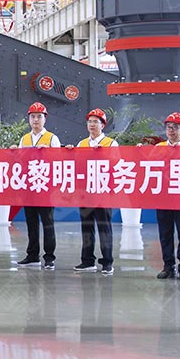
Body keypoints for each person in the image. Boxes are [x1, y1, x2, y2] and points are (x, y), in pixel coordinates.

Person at [17, 102, 59, 270]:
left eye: (39, 117)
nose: (35, 120)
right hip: (29, 187)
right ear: (29, 119)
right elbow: (19, 161)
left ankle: (49, 257)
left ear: (45, 119)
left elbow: (59, 162)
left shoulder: (52, 138)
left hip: (46, 188)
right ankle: (32, 255)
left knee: (48, 223)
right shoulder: (24, 139)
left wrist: (48, 152)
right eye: (33, 117)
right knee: (31, 222)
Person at [74, 108, 116, 275]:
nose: (92, 124)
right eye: (90, 121)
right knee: (87, 227)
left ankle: (107, 262)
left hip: (102, 192)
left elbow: (117, 166)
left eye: (95, 122)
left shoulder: (111, 144)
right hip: (85, 192)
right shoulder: (81, 144)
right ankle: (87, 261)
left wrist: (103, 155)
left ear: (102, 125)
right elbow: (76, 166)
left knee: (104, 227)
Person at [156, 112, 180, 282]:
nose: (171, 130)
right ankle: (168, 266)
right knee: (165, 233)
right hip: (163, 197)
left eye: (175, 127)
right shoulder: (158, 148)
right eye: (169, 127)